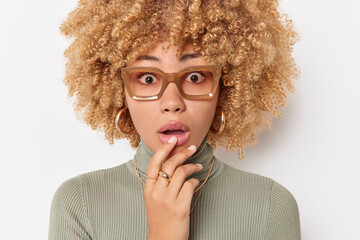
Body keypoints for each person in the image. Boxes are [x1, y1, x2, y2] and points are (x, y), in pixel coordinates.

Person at [49, 0, 301, 239]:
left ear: (226, 88)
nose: (172, 103)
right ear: (120, 92)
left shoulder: (270, 206)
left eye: (194, 77)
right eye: (147, 78)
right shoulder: (80, 204)